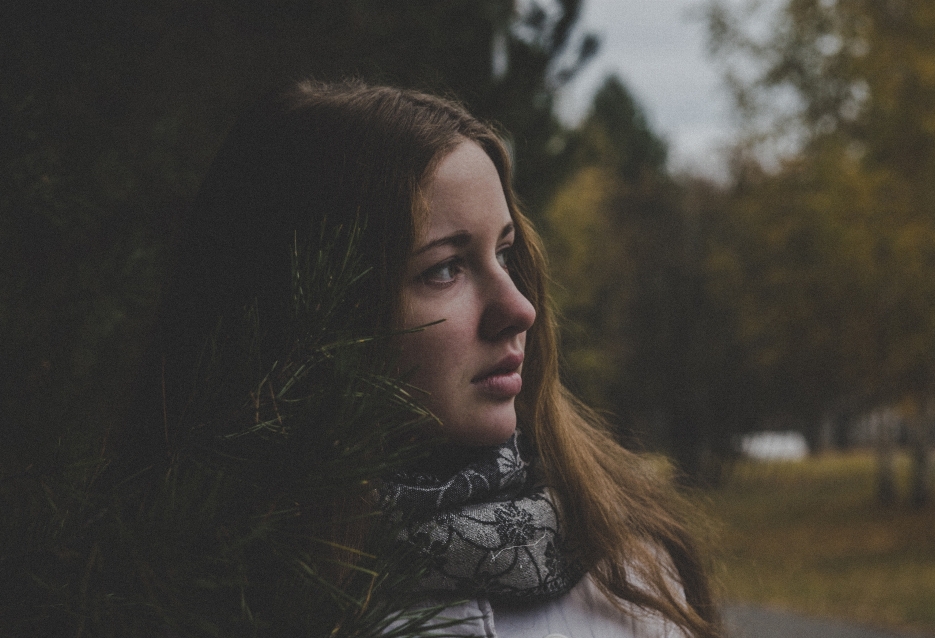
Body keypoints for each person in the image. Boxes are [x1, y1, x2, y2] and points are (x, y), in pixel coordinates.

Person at [144, 79, 722, 637]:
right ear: (311, 310)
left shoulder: (629, 576)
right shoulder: (165, 590)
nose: (519, 309)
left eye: (504, 252)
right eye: (444, 268)